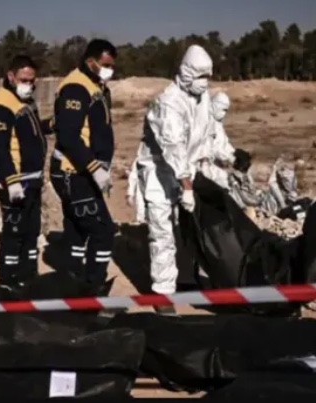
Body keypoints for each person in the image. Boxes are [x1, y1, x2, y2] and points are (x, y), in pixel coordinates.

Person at [134, 45, 214, 311]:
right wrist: (186, 185)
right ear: (187, 73)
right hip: (159, 173)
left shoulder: (201, 98)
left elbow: (205, 134)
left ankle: (185, 278)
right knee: (162, 233)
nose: (205, 82)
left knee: (186, 229)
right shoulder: (167, 103)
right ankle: (162, 292)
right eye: (200, 76)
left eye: (208, 76)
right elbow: (173, 145)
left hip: (186, 170)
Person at [50, 39, 117, 293]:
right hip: (74, 172)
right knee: (103, 231)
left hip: (83, 171)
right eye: (105, 65)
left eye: (112, 66)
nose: (110, 70)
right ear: (90, 62)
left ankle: (72, 283)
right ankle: (93, 288)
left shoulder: (95, 85)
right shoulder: (76, 88)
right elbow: (68, 136)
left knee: (78, 229)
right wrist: (94, 168)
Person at [0, 55, 53, 288]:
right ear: (11, 77)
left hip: (32, 180)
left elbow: (29, 131)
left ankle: (28, 277)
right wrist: (11, 181)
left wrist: (50, 125)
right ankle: (9, 282)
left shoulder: (25, 100)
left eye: (32, 80)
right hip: (14, 182)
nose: (29, 85)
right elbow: (0, 148)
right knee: (14, 233)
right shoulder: (0, 105)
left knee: (31, 231)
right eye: (24, 80)